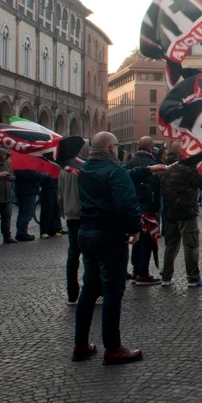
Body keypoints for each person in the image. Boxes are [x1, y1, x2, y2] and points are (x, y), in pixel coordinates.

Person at [73, 131, 143, 365]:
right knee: (113, 290)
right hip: (108, 235)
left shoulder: (85, 170)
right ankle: (113, 348)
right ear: (112, 148)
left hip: (86, 232)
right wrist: (134, 228)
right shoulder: (116, 171)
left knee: (90, 288)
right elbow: (126, 205)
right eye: (117, 146)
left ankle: (81, 344)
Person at [158, 149, 202, 287]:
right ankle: (193, 277)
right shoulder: (188, 171)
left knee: (171, 245)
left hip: (170, 213)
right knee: (191, 245)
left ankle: (166, 277)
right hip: (186, 212)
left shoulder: (169, 170)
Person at [124, 137, 163, 285]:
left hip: (134, 207)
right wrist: (156, 208)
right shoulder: (153, 164)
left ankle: (135, 270)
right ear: (151, 147)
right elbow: (155, 189)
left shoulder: (130, 163)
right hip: (147, 208)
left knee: (137, 240)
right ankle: (143, 272)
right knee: (148, 241)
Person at [59, 148, 84, 305]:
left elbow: (60, 194)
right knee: (90, 256)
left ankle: (72, 294)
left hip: (70, 215)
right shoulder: (82, 170)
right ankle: (93, 291)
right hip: (84, 215)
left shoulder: (64, 170)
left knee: (73, 255)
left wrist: (64, 209)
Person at [13, 168, 45, 241]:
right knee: (27, 213)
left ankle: (20, 232)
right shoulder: (26, 168)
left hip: (22, 191)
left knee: (22, 213)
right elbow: (35, 176)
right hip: (29, 191)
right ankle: (22, 233)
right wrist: (45, 175)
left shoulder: (19, 167)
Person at [39, 172, 63, 239]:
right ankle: (44, 231)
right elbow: (41, 177)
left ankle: (53, 230)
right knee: (47, 211)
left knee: (55, 210)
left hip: (55, 188)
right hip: (47, 189)